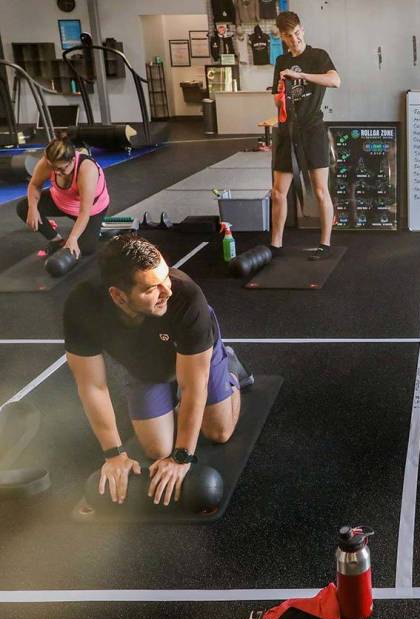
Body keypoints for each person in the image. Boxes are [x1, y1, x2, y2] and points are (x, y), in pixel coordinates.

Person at [63, 234, 252, 506]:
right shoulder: (82, 307)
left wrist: (182, 456)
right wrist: (114, 454)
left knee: (218, 432)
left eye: (166, 277)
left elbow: (192, 386)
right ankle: (170, 389)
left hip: (192, 350)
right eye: (153, 288)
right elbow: (92, 385)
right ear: (118, 296)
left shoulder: (186, 296)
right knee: (156, 449)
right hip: (146, 366)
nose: (168, 290)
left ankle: (230, 372)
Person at [269, 10, 340, 261]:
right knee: (278, 192)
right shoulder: (280, 61)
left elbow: (335, 81)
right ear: (282, 37)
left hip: (312, 129)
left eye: (297, 33)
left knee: (320, 191)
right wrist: (279, 93)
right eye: (289, 36)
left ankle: (325, 244)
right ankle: (275, 245)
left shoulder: (318, 56)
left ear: (303, 30)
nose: (295, 39)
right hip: (288, 131)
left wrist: (300, 75)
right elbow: (279, 104)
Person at [16, 136, 109, 259]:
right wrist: (33, 208)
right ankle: (56, 240)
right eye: (54, 168)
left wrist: (73, 238)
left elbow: (84, 212)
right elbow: (34, 185)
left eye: (61, 168)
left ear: (73, 159)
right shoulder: (47, 163)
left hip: (91, 210)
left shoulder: (87, 170)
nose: (57, 172)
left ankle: (94, 227)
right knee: (24, 207)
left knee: (86, 248)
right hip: (61, 201)